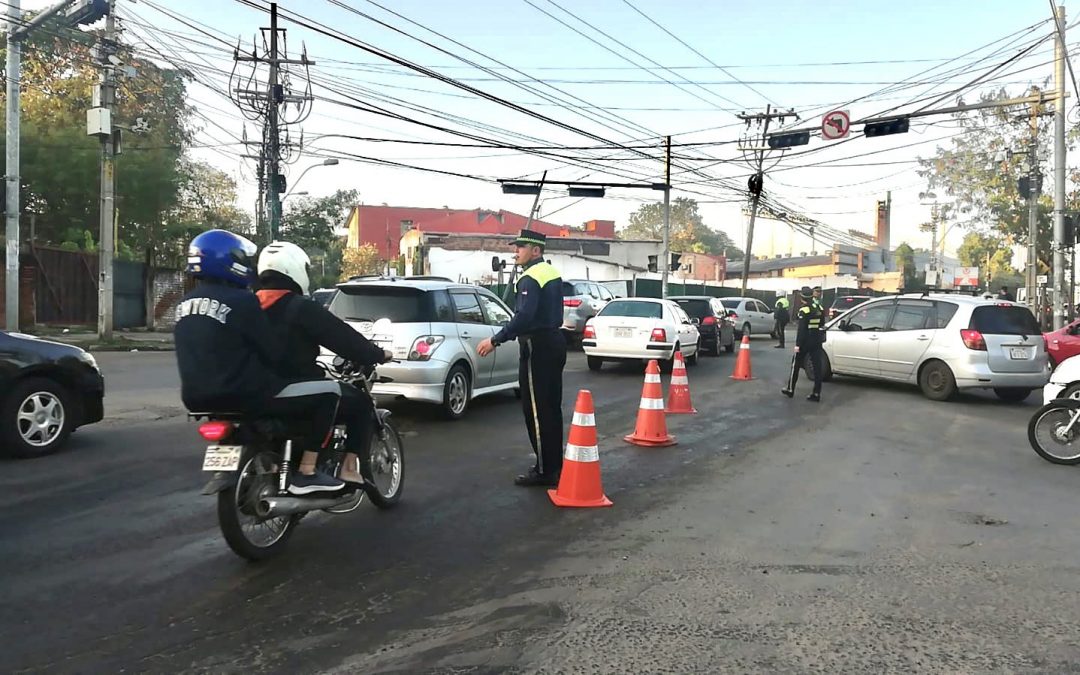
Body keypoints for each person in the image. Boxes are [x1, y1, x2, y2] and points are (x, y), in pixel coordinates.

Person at [175, 229, 343, 495]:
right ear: (231, 262)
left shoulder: (183, 304)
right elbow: (272, 350)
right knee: (329, 393)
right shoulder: (243, 301)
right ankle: (308, 471)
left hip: (196, 399)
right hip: (246, 394)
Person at [254, 241, 393, 486]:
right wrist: (377, 354)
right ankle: (342, 469)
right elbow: (343, 339)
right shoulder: (301, 308)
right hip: (294, 387)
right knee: (359, 404)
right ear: (294, 270)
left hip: (254, 390)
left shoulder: (248, 306)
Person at [477, 229, 567, 487]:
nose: (515, 251)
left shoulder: (529, 278)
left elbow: (525, 317)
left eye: (521, 247)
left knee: (536, 411)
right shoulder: (552, 272)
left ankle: (544, 470)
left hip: (537, 346)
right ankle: (554, 464)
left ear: (536, 250)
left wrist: (495, 340)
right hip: (554, 341)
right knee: (551, 408)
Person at [782, 286, 825, 402]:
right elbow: (822, 325)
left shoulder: (804, 310)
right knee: (817, 367)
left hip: (805, 341)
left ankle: (790, 389)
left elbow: (802, 330)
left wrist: (797, 345)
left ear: (802, 298)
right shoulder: (819, 308)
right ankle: (816, 393)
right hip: (816, 340)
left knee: (795, 365)